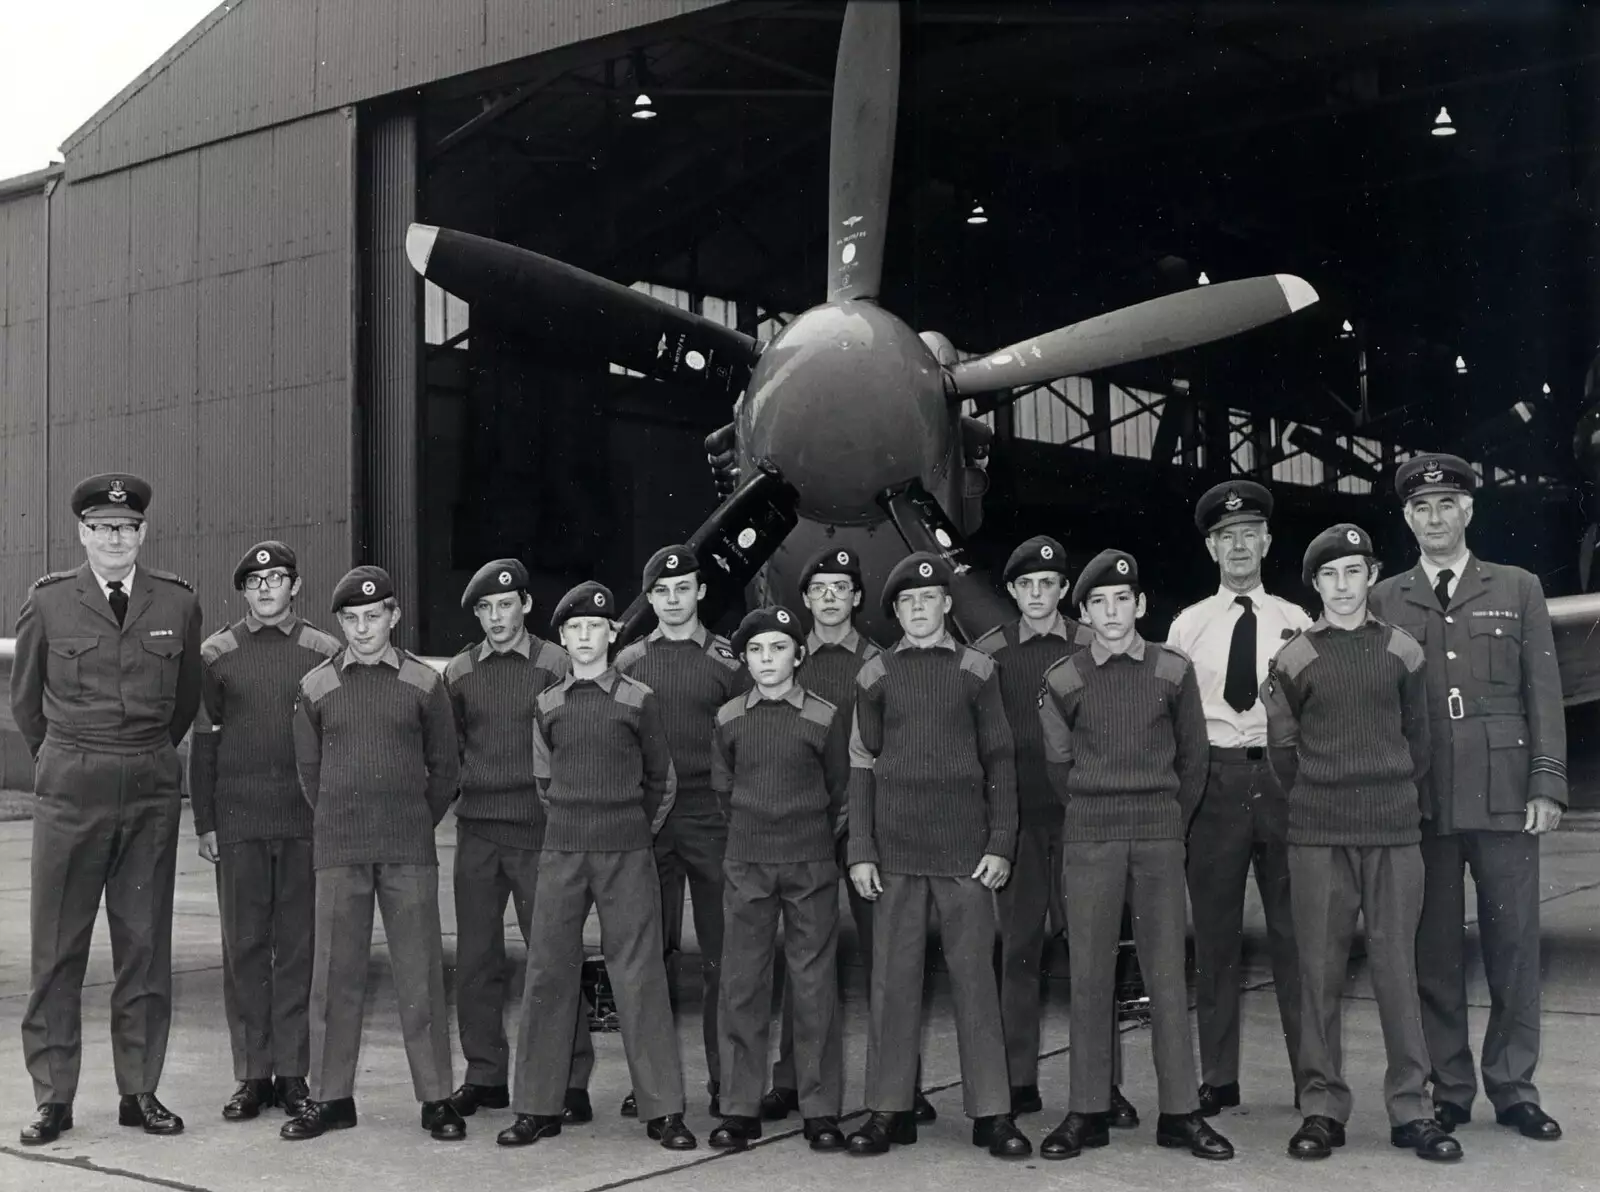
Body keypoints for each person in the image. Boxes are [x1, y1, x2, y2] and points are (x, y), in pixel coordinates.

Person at [1369, 454, 1565, 1142]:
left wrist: (1546, 782)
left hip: (1507, 797)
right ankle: (1449, 1087)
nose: (1435, 518)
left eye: (1447, 504)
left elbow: (1544, 694)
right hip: (1419, 802)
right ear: (1406, 518)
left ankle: (1514, 1086)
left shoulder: (1519, 587)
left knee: (1515, 945)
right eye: (1422, 508)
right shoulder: (1385, 599)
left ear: (1469, 511)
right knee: (1435, 952)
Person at [13, 473, 203, 1146]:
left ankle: (140, 1091)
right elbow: (26, 702)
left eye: (126, 528)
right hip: (71, 784)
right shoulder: (49, 604)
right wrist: (69, 758)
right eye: (102, 528)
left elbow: (183, 703)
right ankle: (53, 1098)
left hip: (148, 785)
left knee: (144, 948)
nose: (114, 538)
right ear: (83, 534)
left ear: (143, 533)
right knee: (58, 950)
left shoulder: (176, 604)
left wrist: (139, 755)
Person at [1264, 524, 1460, 1163]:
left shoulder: (1403, 650)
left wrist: (1388, 792)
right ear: (1315, 585)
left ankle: (1412, 1110)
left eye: (1354, 572)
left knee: (1397, 970)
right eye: (1330, 575)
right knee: (1317, 971)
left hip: (1393, 830)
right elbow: (1283, 749)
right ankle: (1321, 1108)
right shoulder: (1295, 657)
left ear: (1371, 577)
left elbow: (1419, 739)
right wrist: (1327, 795)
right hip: (1320, 832)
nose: (1343, 586)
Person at [1037, 550, 1231, 1162]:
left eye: (1123, 599)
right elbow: (1058, 765)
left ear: (1141, 605)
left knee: (1166, 975)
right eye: (1098, 602)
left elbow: (1193, 759)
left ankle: (1180, 1113)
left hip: (1156, 836)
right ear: (1085, 611)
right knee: (1090, 973)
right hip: (1092, 837)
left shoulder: (1173, 670)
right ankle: (1087, 1110)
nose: (1112, 611)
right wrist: (1097, 811)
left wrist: (1167, 818)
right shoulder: (1064, 677)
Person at [845, 551, 1030, 1160]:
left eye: (928, 599)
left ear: (947, 605)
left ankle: (992, 1114)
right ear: (895, 612)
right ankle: (887, 1110)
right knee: (892, 982)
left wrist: (1000, 843)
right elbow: (862, 765)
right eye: (906, 602)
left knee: (975, 981)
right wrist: (862, 849)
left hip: (964, 855)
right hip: (895, 853)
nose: (918, 610)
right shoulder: (875, 674)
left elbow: (1001, 758)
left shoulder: (978, 669)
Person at [498, 581, 695, 1152]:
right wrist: (573, 823)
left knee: (640, 976)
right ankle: (539, 1105)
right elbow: (543, 781)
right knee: (547, 972)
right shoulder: (547, 704)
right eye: (575, 630)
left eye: (596, 628)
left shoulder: (639, 699)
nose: (585, 638)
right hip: (562, 851)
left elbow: (662, 780)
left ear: (613, 634)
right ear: (563, 638)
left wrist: (632, 831)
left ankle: (662, 1111)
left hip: (626, 852)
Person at [283, 566, 465, 1142]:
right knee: (334, 975)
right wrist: (341, 818)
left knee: (420, 976)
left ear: (393, 616)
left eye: (374, 617)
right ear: (339, 622)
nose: (363, 629)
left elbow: (446, 769)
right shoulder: (316, 686)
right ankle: (330, 1097)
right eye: (352, 620)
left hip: (407, 848)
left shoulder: (424, 683)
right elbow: (309, 772)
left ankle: (436, 1099)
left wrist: (413, 819)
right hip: (339, 848)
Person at [763, 545, 936, 1126]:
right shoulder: (785, 656)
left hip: (866, 828)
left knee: (889, 957)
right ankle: (791, 1080)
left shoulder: (879, 663)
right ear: (806, 600)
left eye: (842, 586)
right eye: (820, 588)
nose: (831, 596)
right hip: (802, 828)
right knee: (801, 957)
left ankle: (899, 1085)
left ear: (858, 598)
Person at [972, 535, 1137, 1127]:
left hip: (1084, 821)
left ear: (1065, 590)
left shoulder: (1094, 644)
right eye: (1026, 585)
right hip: (1018, 823)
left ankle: (1104, 1085)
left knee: (1092, 953)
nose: (1038, 595)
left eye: (1049, 584)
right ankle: (1019, 1081)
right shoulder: (987, 654)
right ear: (1012, 591)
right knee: (1018, 951)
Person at [1167, 480, 1307, 1114]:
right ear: (1210, 548)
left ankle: (1314, 1075)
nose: (1240, 545)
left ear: (1268, 542)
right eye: (1227, 537)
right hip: (1217, 784)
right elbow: (1173, 718)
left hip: (1282, 783)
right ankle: (1218, 1077)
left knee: (1296, 935)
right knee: (1216, 939)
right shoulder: (1187, 626)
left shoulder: (1296, 622)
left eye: (1251, 533)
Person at [191, 541, 339, 1123]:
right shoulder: (216, 654)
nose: (266, 589)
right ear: (243, 592)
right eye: (255, 583)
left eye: (277, 579)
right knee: (245, 950)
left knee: (299, 950)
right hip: (240, 822)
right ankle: (253, 1076)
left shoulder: (324, 651)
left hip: (303, 822)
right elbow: (204, 743)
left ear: (296, 586)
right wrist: (205, 822)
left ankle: (295, 1076)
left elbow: (338, 738)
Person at [442, 559, 594, 1126]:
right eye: (485, 608)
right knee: (477, 961)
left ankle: (570, 1079)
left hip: (541, 834)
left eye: (505, 605)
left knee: (553, 959)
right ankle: (483, 1076)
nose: (495, 617)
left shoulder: (556, 663)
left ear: (525, 606)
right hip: (479, 832)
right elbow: (449, 747)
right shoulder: (458, 673)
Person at [614, 545, 748, 1117]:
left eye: (682, 589)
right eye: (661, 592)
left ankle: (728, 1080)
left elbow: (750, 737)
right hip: (648, 821)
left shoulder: (727, 662)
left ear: (700, 592)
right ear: (650, 599)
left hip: (711, 819)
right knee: (648, 956)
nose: (672, 600)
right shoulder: (627, 662)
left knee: (725, 954)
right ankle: (652, 1082)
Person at [709, 606, 848, 1154]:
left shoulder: (824, 717)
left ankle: (820, 1108)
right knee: (742, 982)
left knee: (813, 985)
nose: (768, 660)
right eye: (757, 651)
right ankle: (740, 1107)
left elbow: (839, 790)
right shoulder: (727, 719)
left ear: (800, 655)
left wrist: (807, 833)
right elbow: (724, 790)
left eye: (779, 649)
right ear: (745, 659)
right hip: (747, 861)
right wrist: (755, 831)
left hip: (810, 861)